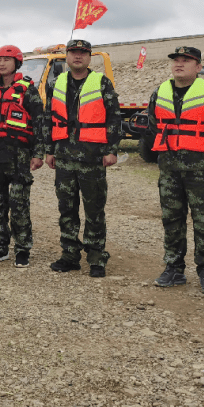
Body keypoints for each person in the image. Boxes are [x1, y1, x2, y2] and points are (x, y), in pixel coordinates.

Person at [141, 46, 204, 294]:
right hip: (169, 169)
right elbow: (152, 128)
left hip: (201, 169)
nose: (179, 64)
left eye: (186, 60)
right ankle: (174, 268)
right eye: (176, 60)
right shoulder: (158, 92)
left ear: (199, 67)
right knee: (172, 220)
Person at [43, 39, 121, 277]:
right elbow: (48, 117)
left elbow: (114, 117)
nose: (78, 56)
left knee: (94, 209)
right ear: (66, 56)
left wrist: (111, 150)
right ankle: (69, 255)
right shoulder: (56, 82)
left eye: (83, 53)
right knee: (66, 209)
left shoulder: (101, 82)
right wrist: (49, 149)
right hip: (64, 157)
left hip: (93, 158)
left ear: (89, 57)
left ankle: (96, 258)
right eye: (73, 52)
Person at [0, 45, 44, 267]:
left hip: (19, 156)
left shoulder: (28, 90)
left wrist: (38, 153)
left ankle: (23, 249)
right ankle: (0, 246)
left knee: (19, 204)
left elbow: (40, 124)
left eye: (6, 59)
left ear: (17, 62)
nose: (2, 63)